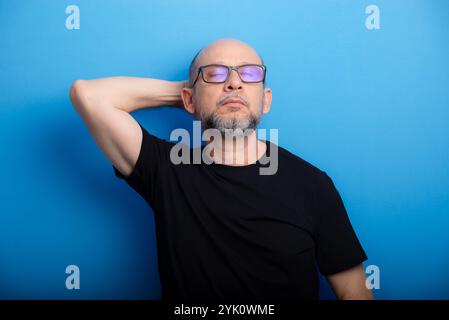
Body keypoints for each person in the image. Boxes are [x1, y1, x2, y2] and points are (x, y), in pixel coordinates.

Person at [69, 38, 373, 301]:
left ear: (265, 101)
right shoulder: (166, 169)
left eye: (249, 74)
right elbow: (89, 95)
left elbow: (354, 292)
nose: (234, 82)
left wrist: (211, 90)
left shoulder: (313, 185)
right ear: (187, 99)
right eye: (215, 73)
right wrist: (195, 95)